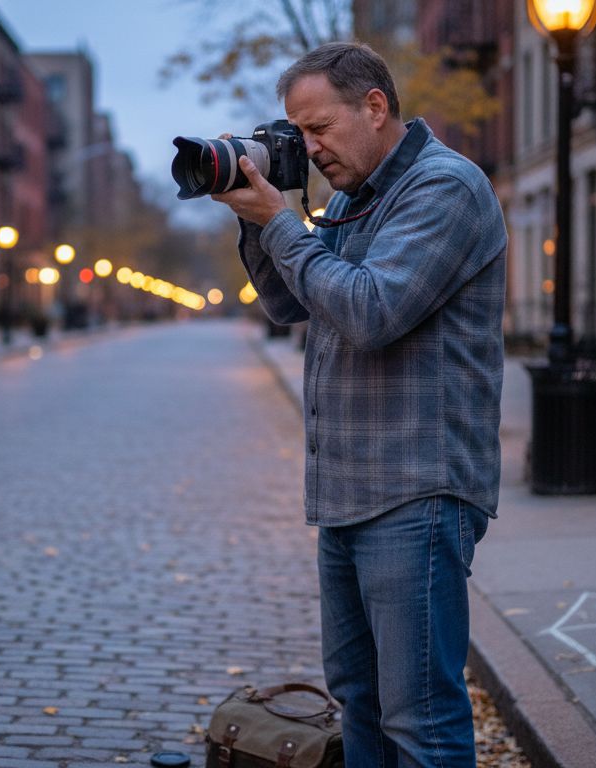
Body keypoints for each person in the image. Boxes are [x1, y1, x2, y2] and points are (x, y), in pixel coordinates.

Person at [211, 42, 506, 768]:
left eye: (319, 129)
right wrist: (257, 219)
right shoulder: (350, 198)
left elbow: (372, 311)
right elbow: (290, 303)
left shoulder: (445, 187)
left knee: (420, 718)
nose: (309, 149)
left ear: (375, 107)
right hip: (347, 490)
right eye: (299, 133)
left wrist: (283, 224)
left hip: (416, 488)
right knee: (360, 703)